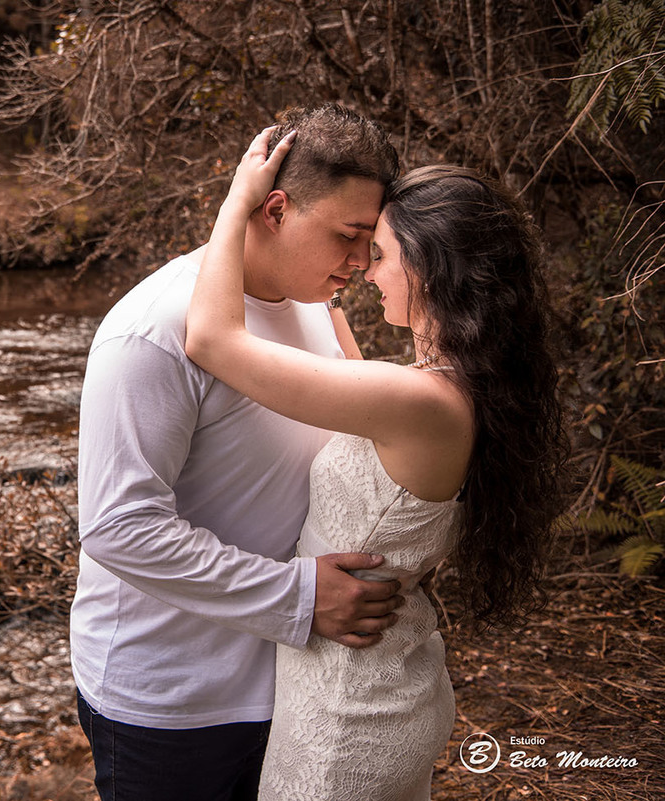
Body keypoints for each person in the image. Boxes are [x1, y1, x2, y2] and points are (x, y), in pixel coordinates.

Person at [184, 129, 567, 799]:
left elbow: (212, 340)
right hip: (386, 678)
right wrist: (315, 280)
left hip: (347, 716)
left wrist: (238, 204)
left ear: (432, 271)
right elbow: (353, 389)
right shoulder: (453, 386)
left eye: (382, 254)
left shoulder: (417, 402)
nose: (365, 268)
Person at [71, 104, 405, 801]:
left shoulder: (314, 303)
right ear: (275, 209)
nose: (360, 261)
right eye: (348, 236)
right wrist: (300, 596)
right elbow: (117, 528)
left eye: (370, 240)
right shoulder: (152, 332)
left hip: (291, 683)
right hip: (171, 707)